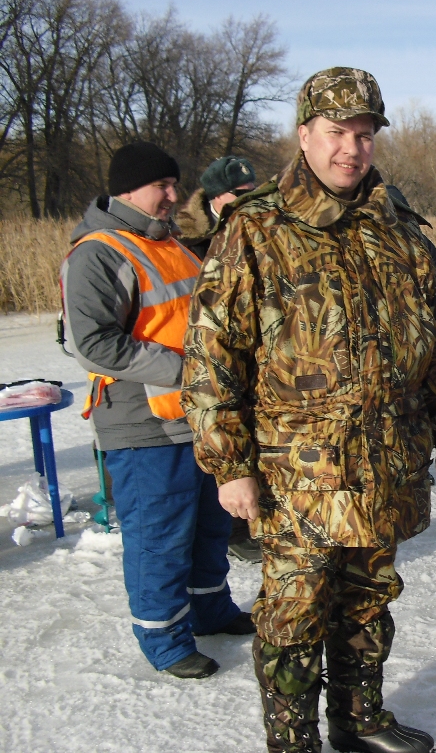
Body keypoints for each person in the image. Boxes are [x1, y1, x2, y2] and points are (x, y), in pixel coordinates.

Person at [182, 67, 436, 753]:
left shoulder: (400, 230)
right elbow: (211, 356)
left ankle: (360, 720)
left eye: (365, 134)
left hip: (386, 460)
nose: (352, 148)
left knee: (370, 600)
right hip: (298, 475)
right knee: (293, 615)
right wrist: (229, 463)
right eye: (337, 132)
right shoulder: (255, 228)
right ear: (305, 134)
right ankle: (293, 740)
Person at [60, 141, 254, 680]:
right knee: (160, 539)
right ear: (127, 189)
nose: (174, 196)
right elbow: (93, 344)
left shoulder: (172, 244)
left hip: (197, 418)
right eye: (161, 187)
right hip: (143, 426)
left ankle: (210, 609)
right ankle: (163, 639)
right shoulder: (97, 252)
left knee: (210, 530)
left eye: (174, 184)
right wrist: (187, 369)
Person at [177, 154, 261, 562]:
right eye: (239, 194)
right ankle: (231, 530)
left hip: (251, 363)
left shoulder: (261, 232)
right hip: (203, 362)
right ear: (214, 197)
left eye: (252, 192)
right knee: (219, 445)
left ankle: (247, 525)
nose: (248, 200)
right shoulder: (187, 243)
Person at [177, 155, 258, 259]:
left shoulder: (265, 226)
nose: (250, 199)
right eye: (241, 193)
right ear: (218, 195)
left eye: (253, 192)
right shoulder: (191, 240)